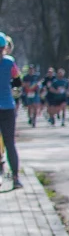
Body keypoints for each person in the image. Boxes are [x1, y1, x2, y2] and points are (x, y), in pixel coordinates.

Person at [0, 33, 21, 187]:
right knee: (9, 143)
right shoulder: (10, 62)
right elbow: (18, 81)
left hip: (7, 106)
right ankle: (15, 178)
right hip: (7, 106)